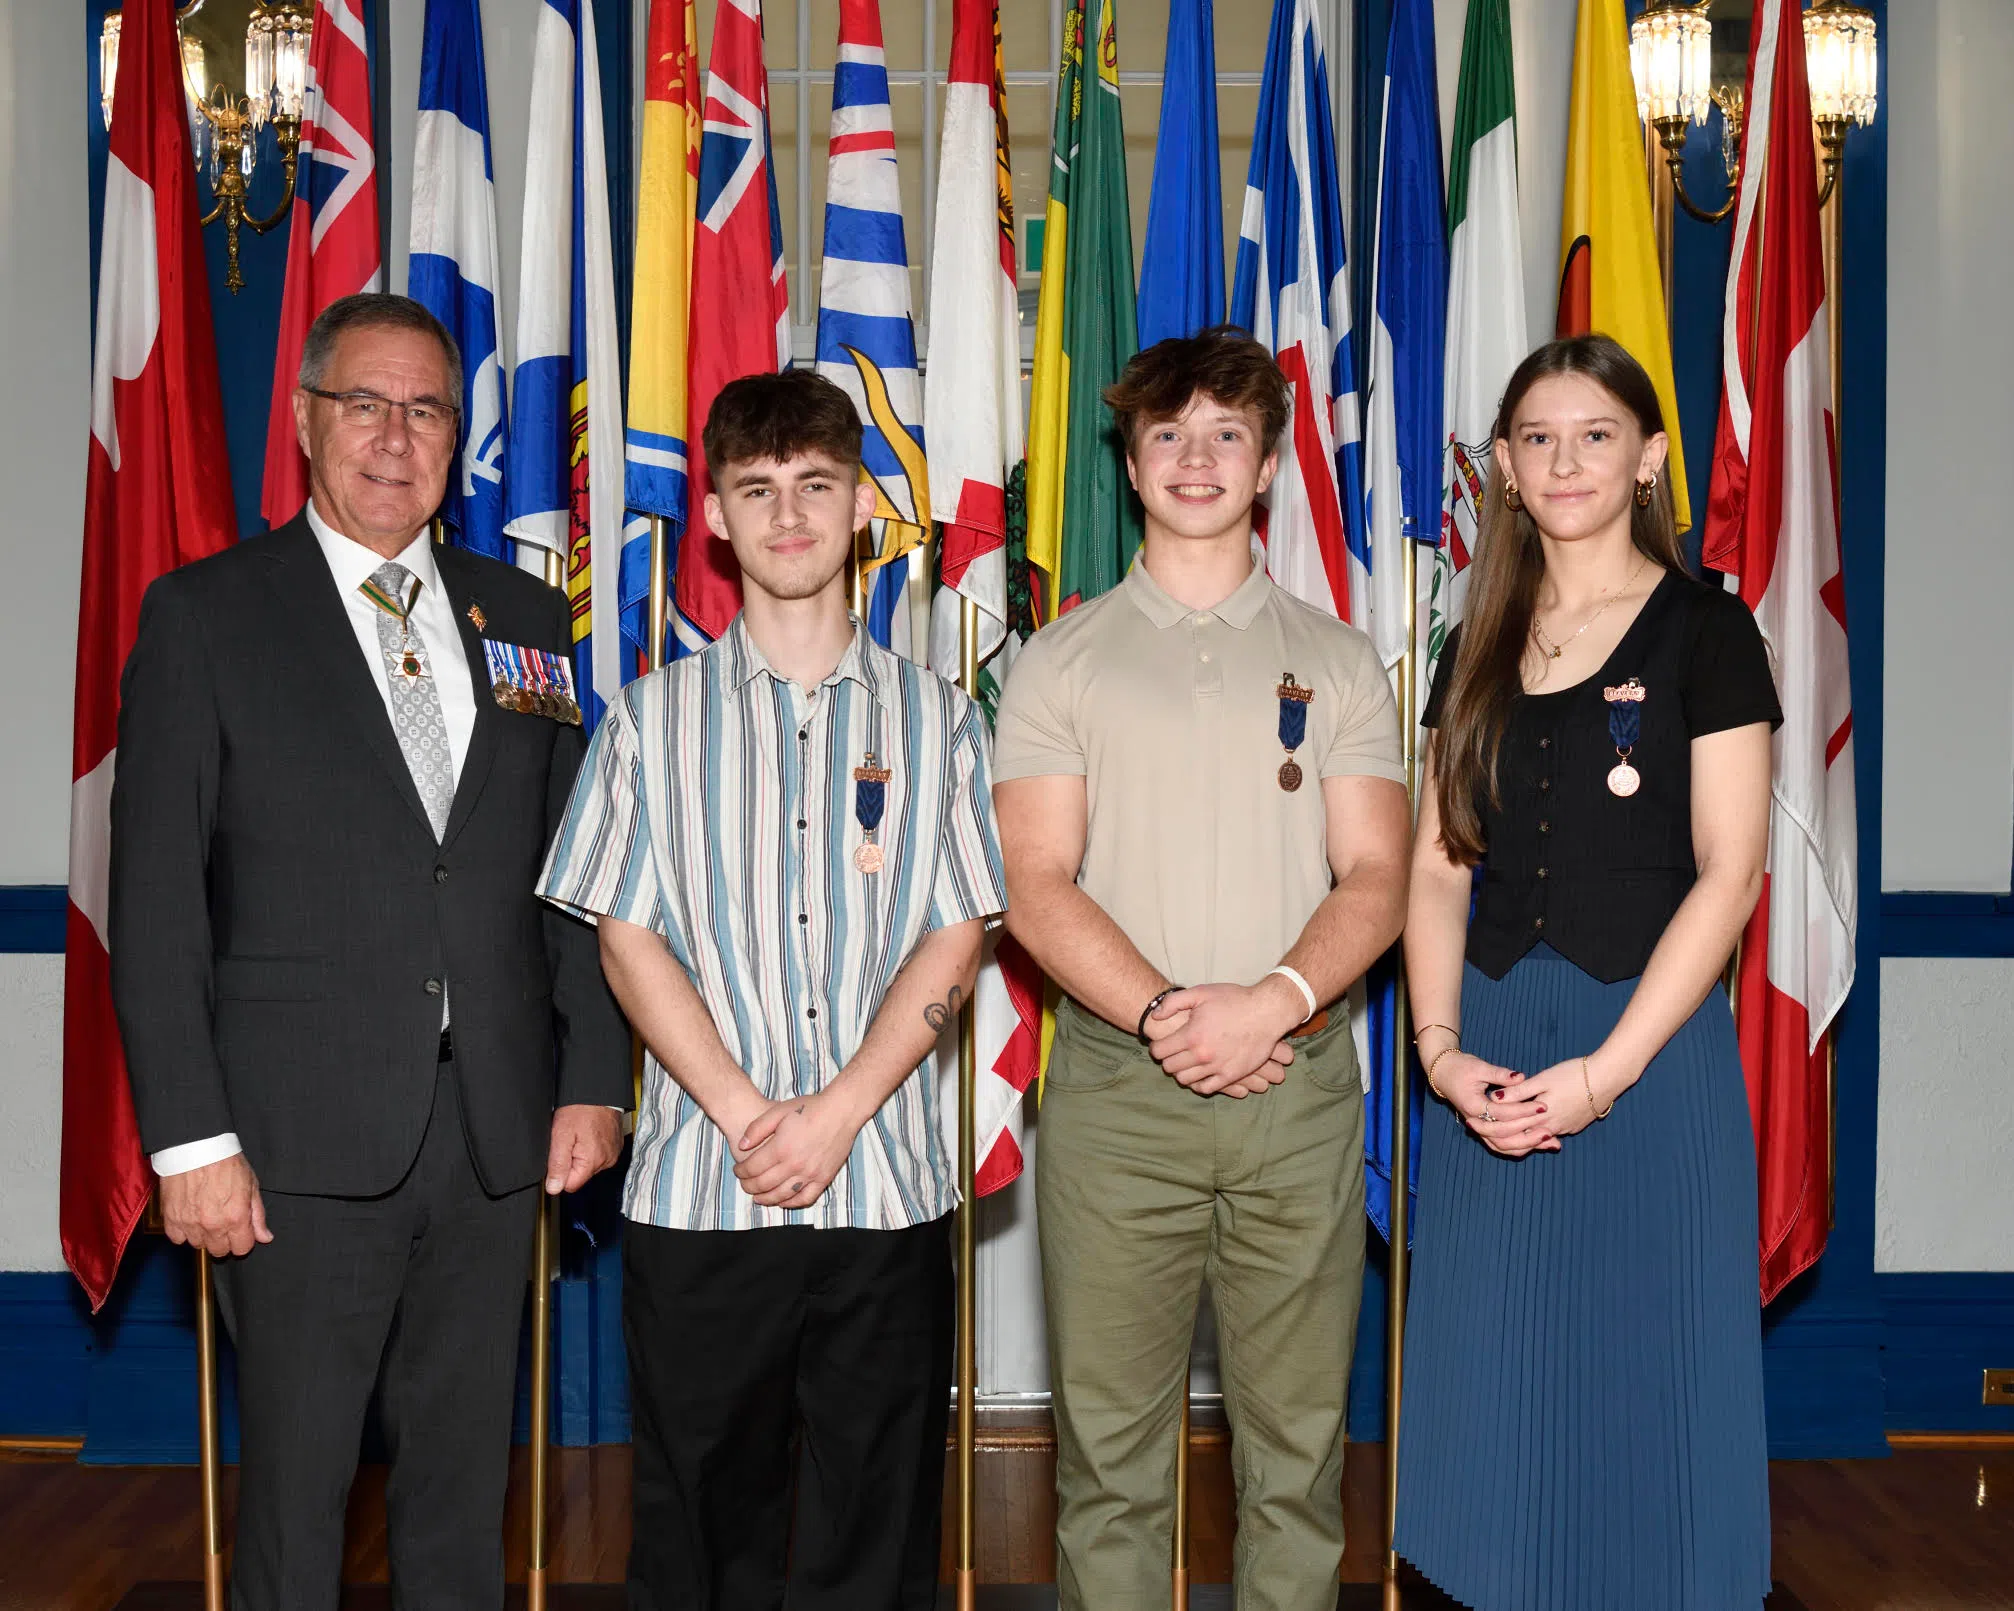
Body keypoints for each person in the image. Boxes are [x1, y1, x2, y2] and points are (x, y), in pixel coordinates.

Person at [110, 293, 631, 1611]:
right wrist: (189, 1142)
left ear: (457, 436)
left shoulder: (524, 614)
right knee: (297, 1501)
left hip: (496, 1131)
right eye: (364, 403)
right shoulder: (206, 616)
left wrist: (591, 1075)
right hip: (291, 1143)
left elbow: (570, 872)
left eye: (426, 409)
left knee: (460, 1495)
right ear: (304, 421)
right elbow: (157, 900)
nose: (395, 436)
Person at [536, 368, 1006, 1611]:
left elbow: (956, 933)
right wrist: (751, 1118)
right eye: (757, 489)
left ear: (861, 505)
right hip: (705, 1190)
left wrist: (839, 1112)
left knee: (877, 1534)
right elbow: (625, 937)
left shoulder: (943, 721)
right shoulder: (646, 721)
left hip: (885, 1186)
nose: (788, 515)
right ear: (715, 517)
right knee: (697, 1533)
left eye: (813, 485)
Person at [994, 328, 1411, 1611]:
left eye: (1226, 433)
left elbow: (1377, 875)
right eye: (1166, 433)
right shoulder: (1057, 659)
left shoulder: (1339, 659)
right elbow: (1035, 883)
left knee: (1297, 1462)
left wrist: (1271, 1004)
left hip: (1297, 1089)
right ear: (1128, 462)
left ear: (1268, 463)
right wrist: (1172, 1015)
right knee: (1110, 1468)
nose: (1195, 458)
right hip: (1121, 1096)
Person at [1395, 333, 1779, 1610]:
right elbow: (1438, 867)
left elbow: (1729, 873)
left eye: (1595, 436)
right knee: (1493, 1406)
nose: (1565, 462)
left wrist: (1605, 1076)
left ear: (1648, 459)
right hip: (1489, 1066)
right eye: (1538, 439)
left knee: (1648, 1395)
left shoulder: (1707, 630)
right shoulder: (1474, 642)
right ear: (1504, 468)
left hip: (1647, 1059)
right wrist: (1441, 1056)